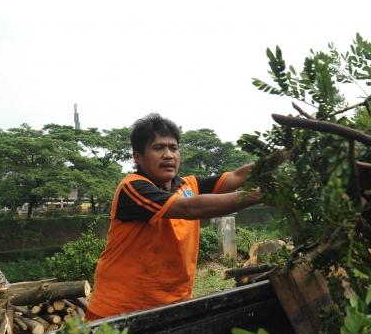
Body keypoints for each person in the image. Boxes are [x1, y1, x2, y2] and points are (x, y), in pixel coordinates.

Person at [85, 113, 262, 320]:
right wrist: (257, 195)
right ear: (138, 157)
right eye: (158, 148)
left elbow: (237, 176)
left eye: (173, 148)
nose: (168, 155)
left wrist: (285, 154)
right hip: (119, 312)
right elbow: (190, 209)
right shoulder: (133, 188)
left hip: (174, 306)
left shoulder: (187, 185)